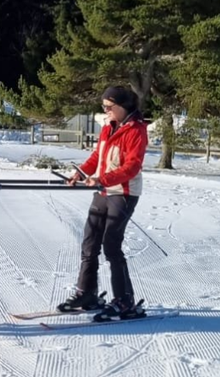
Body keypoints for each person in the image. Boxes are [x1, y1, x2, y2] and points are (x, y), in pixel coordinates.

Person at [58, 86, 148, 320]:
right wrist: (80, 173)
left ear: (123, 106)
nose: (105, 111)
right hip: (103, 191)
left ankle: (124, 300)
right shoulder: (109, 128)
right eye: (103, 107)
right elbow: (97, 157)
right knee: (90, 243)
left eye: (109, 107)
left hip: (123, 193)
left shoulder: (136, 130)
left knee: (111, 245)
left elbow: (132, 166)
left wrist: (103, 179)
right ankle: (87, 293)